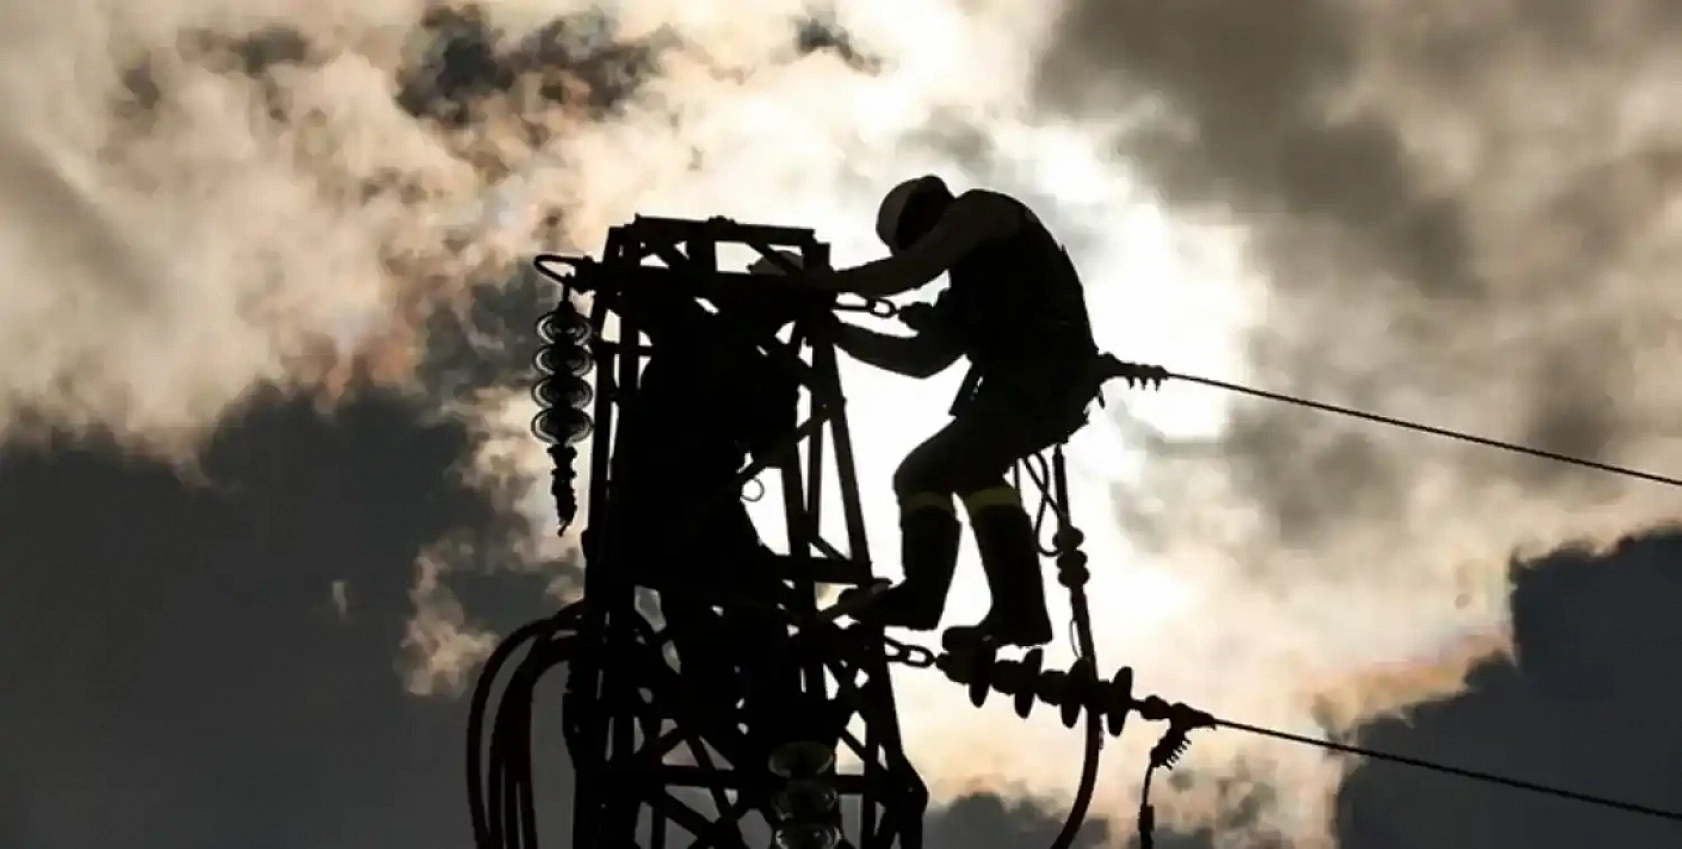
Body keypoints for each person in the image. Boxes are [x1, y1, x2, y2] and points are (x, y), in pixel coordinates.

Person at [807, 175, 1113, 649]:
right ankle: (1008, 610)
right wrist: (840, 335)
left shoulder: (982, 211)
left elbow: (910, 271)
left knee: (949, 468)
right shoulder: (968, 285)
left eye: (915, 237)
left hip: (1046, 378)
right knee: (938, 473)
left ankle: (960, 604)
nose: (922, 246)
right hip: (1033, 387)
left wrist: (827, 286)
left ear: (931, 207)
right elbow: (922, 360)